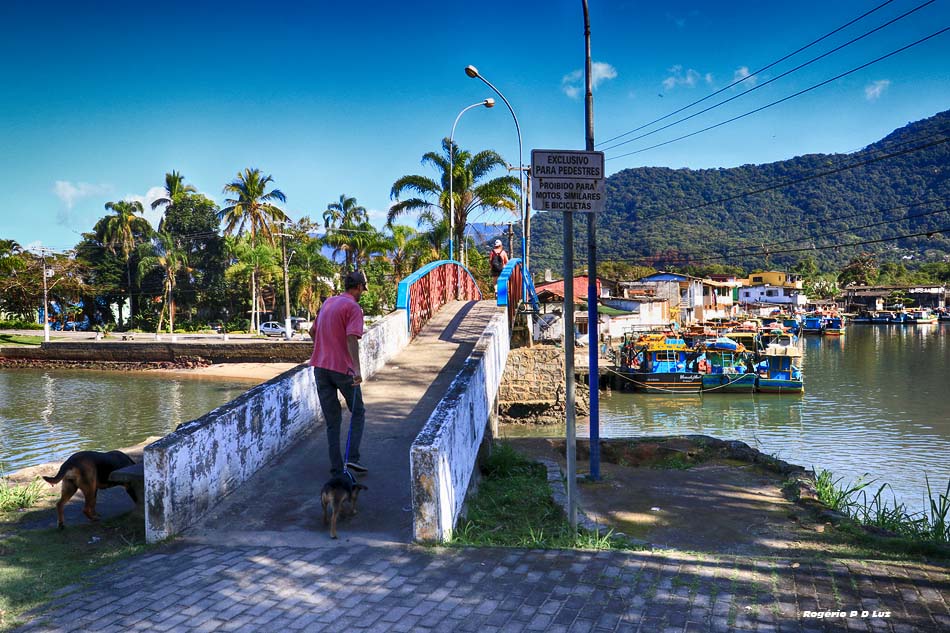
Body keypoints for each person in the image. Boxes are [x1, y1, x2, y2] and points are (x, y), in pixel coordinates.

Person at [308, 270, 369, 477]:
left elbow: (312, 332)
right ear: (359, 287)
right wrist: (357, 370)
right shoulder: (353, 307)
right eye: (362, 289)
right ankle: (352, 458)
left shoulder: (328, 302)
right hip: (343, 370)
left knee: (332, 421)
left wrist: (323, 350)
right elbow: (351, 338)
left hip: (320, 368)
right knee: (358, 411)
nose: (362, 293)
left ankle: (336, 468)